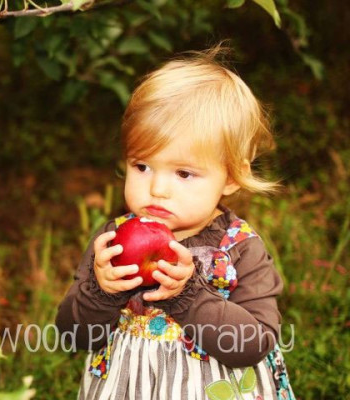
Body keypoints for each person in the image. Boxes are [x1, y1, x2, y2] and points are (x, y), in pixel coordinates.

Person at [55, 45, 295, 400]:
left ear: (231, 178)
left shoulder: (240, 247)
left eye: (183, 172)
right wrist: (101, 293)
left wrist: (188, 296)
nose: (157, 188)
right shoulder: (113, 240)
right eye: (142, 166)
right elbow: (72, 336)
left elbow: (255, 343)